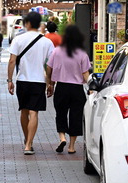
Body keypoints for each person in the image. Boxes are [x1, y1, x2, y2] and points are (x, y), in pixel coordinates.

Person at [7, 12, 54, 155]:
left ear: (27, 23)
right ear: (39, 24)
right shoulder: (47, 42)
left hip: (22, 81)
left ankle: (27, 139)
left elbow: (11, 61)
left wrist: (10, 80)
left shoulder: (18, 40)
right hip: (39, 81)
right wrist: (50, 83)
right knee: (34, 112)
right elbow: (51, 65)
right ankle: (29, 144)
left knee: (24, 111)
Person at [46, 25, 91, 154]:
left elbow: (49, 68)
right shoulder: (82, 53)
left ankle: (62, 138)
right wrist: (92, 87)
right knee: (75, 116)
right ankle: (71, 146)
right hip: (77, 89)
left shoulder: (57, 51)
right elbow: (85, 74)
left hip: (61, 87)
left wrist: (50, 83)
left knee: (61, 113)